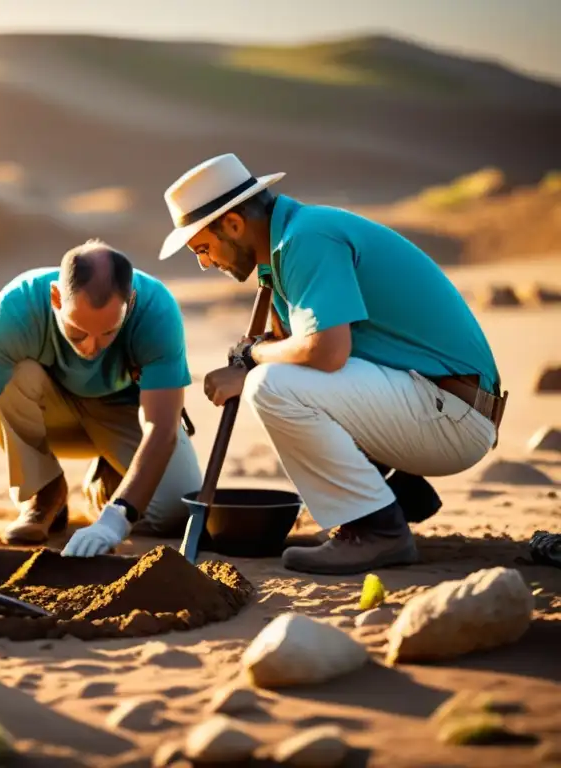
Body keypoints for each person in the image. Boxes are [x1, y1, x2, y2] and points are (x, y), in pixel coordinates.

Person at [158, 153, 506, 575]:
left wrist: (251, 360)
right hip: (438, 404)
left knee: (271, 385)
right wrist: (262, 351)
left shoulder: (307, 238)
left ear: (233, 225)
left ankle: (377, 530)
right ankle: (391, 495)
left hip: (454, 415)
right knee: (279, 377)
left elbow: (325, 351)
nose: (204, 263)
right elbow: (297, 345)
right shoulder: (287, 248)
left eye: (203, 248)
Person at [0, 240, 202, 558]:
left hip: (124, 413)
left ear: (129, 303)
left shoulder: (156, 310)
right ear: (56, 298)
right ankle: (44, 493)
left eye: (108, 333)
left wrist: (117, 518)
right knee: (8, 376)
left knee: (175, 510)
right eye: (77, 332)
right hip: (50, 413)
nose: (90, 348)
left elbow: (162, 426)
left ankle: (108, 483)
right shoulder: (17, 307)